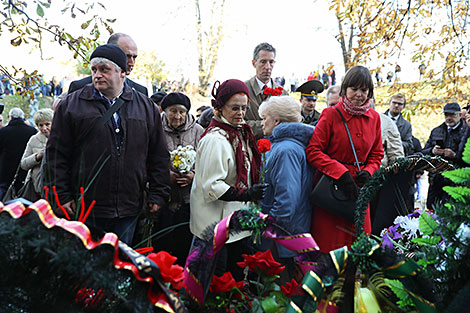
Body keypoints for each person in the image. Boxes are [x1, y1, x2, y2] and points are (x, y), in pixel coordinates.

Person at [44, 44, 170, 245]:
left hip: (129, 208)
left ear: (122, 72)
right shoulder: (71, 105)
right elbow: (56, 155)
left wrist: (158, 193)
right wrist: (60, 195)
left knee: (121, 268)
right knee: (86, 269)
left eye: (104, 69)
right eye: (94, 70)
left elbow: (159, 155)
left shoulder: (146, 107)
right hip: (85, 207)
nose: (97, 75)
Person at [190, 79, 267, 277]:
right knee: (215, 280)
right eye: (234, 108)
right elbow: (212, 187)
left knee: (234, 279)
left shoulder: (239, 133)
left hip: (234, 222)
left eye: (244, 108)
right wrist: (247, 193)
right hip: (214, 225)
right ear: (220, 107)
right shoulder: (216, 140)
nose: (240, 113)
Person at [306, 65, 384, 252]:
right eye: (354, 89)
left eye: (364, 90)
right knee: (329, 248)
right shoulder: (331, 114)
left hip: (359, 190)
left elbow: (377, 154)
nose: (359, 94)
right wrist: (339, 172)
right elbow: (313, 151)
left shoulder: (374, 118)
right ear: (345, 89)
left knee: (359, 247)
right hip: (331, 189)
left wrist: (369, 171)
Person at [257, 95, 315, 280]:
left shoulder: (286, 150)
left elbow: (287, 198)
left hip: (282, 236)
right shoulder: (284, 145)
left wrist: (271, 227)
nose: (261, 123)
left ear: (277, 121)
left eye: (264, 118)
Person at [154, 92, 204, 264]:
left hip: (189, 200)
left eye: (182, 112)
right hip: (163, 197)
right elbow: (148, 158)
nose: (177, 116)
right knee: (162, 244)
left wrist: (194, 176)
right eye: (172, 111)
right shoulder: (155, 128)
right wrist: (164, 176)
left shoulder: (198, 131)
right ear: (164, 111)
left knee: (185, 245)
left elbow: (206, 161)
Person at [68, 33, 148, 96]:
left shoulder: (141, 92)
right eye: (127, 56)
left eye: (134, 57)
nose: (132, 63)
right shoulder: (78, 88)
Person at [422, 102, 468, 210]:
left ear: (460, 115)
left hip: (456, 181)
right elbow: (423, 152)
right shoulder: (436, 131)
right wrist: (432, 151)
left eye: (452, 115)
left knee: (451, 212)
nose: (448, 118)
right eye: (446, 115)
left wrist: (454, 155)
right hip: (436, 179)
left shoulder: (466, 131)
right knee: (431, 208)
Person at [245, 42, 288, 139]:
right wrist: (268, 125)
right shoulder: (243, 90)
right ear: (254, 63)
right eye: (263, 62)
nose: (268, 67)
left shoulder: (283, 94)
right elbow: (238, 123)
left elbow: (289, 124)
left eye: (271, 62)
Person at [0, 108, 37, 200]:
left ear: (11, 117)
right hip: (24, 168)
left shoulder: (3, 132)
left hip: (5, 169)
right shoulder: (32, 131)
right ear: (23, 118)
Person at [20, 108, 54, 201]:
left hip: (55, 188)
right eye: (40, 125)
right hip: (37, 189)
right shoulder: (34, 139)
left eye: (47, 124)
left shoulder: (62, 138)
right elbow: (23, 164)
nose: (44, 128)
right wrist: (37, 157)